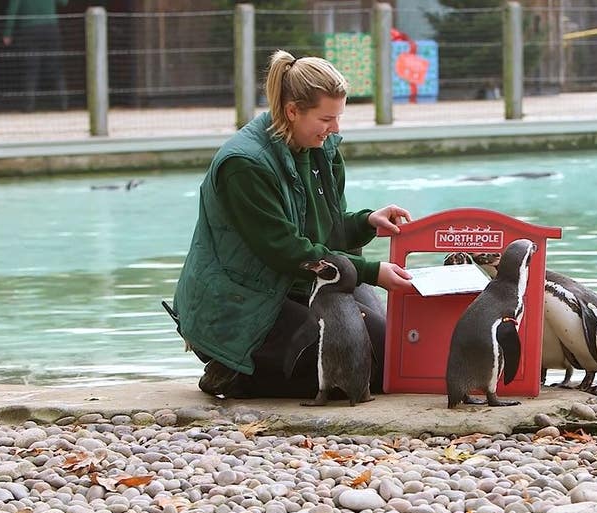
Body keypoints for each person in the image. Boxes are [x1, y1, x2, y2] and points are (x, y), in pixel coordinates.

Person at [171, 51, 414, 398]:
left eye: (338, 117)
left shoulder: (321, 146)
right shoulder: (244, 165)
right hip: (242, 306)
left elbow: (324, 231)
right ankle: (236, 372)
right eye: (327, 118)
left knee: (393, 355)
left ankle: (267, 364)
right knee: (362, 371)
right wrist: (373, 272)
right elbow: (286, 251)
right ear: (292, 111)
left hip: (296, 286)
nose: (336, 129)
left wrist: (366, 222)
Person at [3, 0, 69, 112]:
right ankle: (63, 104)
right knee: (56, 68)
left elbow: (12, 10)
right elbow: (63, 2)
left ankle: (29, 106)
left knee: (30, 68)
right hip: (51, 29)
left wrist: (7, 32)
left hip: (29, 29)